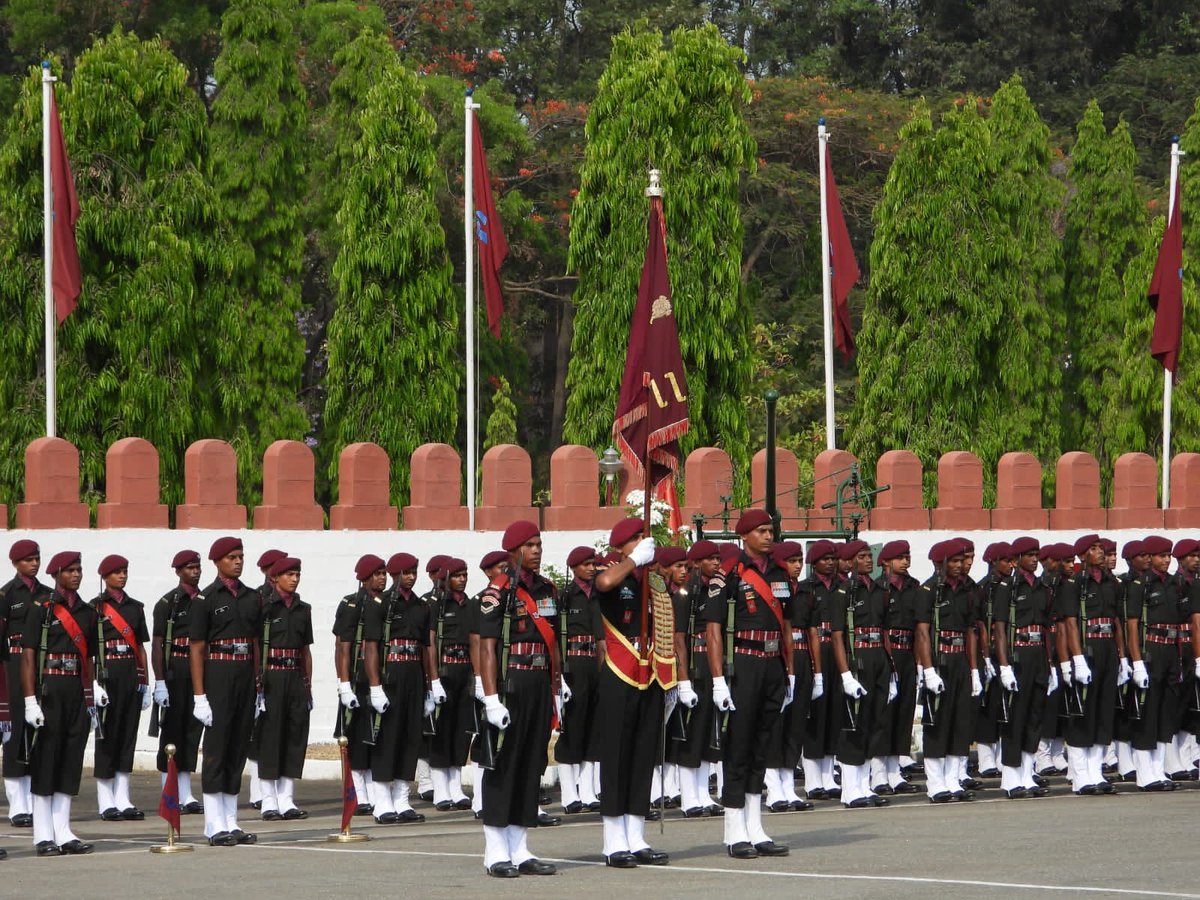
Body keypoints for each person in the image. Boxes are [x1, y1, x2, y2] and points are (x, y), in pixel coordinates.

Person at [706, 510, 794, 859]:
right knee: (738, 748)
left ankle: (755, 827)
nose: (769, 536)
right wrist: (717, 681)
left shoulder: (780, 573)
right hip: (742, 664)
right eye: (761, 531)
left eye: (771, 530)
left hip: (772, 664)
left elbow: (786, 624)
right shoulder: (726, 575)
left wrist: (790, 671)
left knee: (762, 748)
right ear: (745, 536)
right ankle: (733, 829)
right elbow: (713, 632)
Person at [474, 521, 558, 877]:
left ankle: (519, 846)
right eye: (529, 545)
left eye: (539, 544)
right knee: (503, 765)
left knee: (530, 762)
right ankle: (495, 850)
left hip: (539, 683)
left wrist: (558, 684)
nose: (536, 550)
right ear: (512, 550)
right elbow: (488, 648)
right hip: (511, 683)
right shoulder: (498, 591)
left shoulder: (547, 589)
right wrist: (491, 698)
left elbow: (554, 641)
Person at [21, 550, 99, 855]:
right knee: (46, 759)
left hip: (75, 690)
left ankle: (63, 830)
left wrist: (91, 694)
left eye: (79, 569)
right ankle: (43, 833)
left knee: (70, 758)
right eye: (70, 570)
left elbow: (88, 657)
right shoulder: (40, 608)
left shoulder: (87, 612)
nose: (77, 574)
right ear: (56, 574)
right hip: (48, 688)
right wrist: (30, 700)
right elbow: (28, 657)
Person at [190, 536, 261, 846]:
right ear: (216, 561)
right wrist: (199, 696)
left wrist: (259, 685)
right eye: (231, 556)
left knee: (237, 748)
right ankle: (213, 823)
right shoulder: (205, 600)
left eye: (241, 556)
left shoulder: (252, 597)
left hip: (245, 674)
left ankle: (231, 820)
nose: (238, 561)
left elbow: (257, 642)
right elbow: (197, 649)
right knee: (217, 749)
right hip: (218, 673)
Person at [1057, 534, 1126, 795]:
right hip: (1086, 649)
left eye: (1101, 548)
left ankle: (1096, 772)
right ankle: (1080, 774)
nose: (1100, 552)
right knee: (1082, 713)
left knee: (1103, 712)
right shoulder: (1074, 583)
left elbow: (1117, 621)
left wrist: (1122, 659)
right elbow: (1070, 624)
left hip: (1108, 647)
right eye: (1094, 549)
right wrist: (1076, 659)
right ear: (1082, 555)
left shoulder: (1111, 583)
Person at [368, 552, 432, 824]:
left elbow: (427, 647)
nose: (411, 576)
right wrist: (374, 686)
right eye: (406, 572)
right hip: (391, 672)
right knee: (388, 737)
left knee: (410, 736)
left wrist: (431, 684)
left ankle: (402, 799)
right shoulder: (380, 604)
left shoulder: (421, 606)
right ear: (394, 574)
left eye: (414, 571)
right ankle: (382, 802)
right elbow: (371, 647)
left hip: (414, 673)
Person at [915, 539, 978, 803]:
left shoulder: (966, 590)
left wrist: (974, 670)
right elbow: (922, 632)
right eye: (953, 561)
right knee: (937, 724)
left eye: (960, 560)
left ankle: (953, 780)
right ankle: (936, 782)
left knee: (960, 723)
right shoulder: (928, 590)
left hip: (960, 660)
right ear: (940, 563)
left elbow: (971, 631)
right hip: (939, 661)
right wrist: (928, 669)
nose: (959, 565)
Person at [91, 554, 151, 820]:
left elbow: (140, 647)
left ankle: (123, 797)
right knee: (106, 735)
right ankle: (105, 800)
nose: (122, 576)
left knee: (127, 734)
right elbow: (88, 651)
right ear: (105, 577)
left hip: (129, 672)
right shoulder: (94, 608)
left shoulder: (135, 608)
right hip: (106, 676)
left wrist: (145, 681)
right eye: (117, 572)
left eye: (125, 571)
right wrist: (92, 683)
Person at [833, 540, 892, 808]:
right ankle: (850, 788)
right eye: (862, 556)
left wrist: (891, 671)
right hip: (857, 657)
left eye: (870, 556)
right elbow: (837, 637)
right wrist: (845, 674)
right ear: (850, 561)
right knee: (853, 724)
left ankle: (864, 785)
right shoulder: (843, 591)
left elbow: (885, 630)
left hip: (878, 656)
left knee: (873, 721)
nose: (869, 560)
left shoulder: (880, 589)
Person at [992, 537, 1051, 799]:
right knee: (1015, 719)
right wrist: (1004, 665)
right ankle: (1010, 778)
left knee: (1034, 719)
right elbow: (1000, 629)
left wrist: (1052, 665)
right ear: (1016, 560)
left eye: (1036, 554)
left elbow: (1048, 628)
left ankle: (1027, 774)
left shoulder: (1042, 587)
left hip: (1038, 656)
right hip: (1018, 655)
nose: (1035, 559)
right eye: (1029, 555)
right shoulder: (1007, 587)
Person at [1125, 535, 1185, 791]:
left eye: (1168, 555)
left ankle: (1158, 769)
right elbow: (1132, 625)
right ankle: (1144, 772)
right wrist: (1137, 662)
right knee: (1147, 713)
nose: (1166, 560)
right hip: (1151, 649)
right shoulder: (1140, 584)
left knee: (1166, 713)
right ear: (1150, 557)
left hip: (1171, 650)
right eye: (1161, 555)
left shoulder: (1175, 584)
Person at [672, 540, 728, 816]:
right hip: (693, 665)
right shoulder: (686, 592)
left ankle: (703, 793)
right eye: (710, 559)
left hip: (711, 664)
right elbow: (678, 638)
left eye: (718, 558)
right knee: (691, 734)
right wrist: (683, 680)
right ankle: (688, 796)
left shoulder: (716, 589)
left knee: (709, 730)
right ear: (697, 563)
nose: (716, 563)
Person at [256, 557, 312, 821]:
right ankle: (268, 800)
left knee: (294, 736)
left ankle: (287, 798)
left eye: (297, 574)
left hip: (294, 676)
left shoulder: (303, 609)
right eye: (289, 574)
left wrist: (307, 685)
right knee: (270, 737)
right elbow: (257, 647)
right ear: (274, 578)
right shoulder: (264, 607)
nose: (294, 579)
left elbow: (305, 651)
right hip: (271, 677)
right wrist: (257, 685)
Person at [332, 555, 388, 818]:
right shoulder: (351, 604)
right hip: (357, 678)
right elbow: (342, 647)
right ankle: (359, 792)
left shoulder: (385, 604)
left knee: (375, 735)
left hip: (378, 679)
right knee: (355, 737)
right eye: (376, 574)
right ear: (364, 578)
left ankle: (375, 791)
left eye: (384, 573)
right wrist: (344, 684)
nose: (382, 578)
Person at [0, 539, 51, 830]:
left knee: (39, 730)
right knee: (16, 730)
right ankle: (17, 804)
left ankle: (35, 799)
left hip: (41, 664)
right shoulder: (7, 594)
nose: (34, 563)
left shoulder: (47, 594)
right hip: (14, 663)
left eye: (37, 558)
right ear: (16, 563)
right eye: (28, 559)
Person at [150, 550, 205, 815]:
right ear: (178, 571)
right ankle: (169, 790)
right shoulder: (167, 603)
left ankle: (186, 792)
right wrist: (159, 680)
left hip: (199, 671)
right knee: (172, 731)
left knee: (192, 732)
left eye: (198, 567)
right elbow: (158, 645)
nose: (195, 571)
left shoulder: (206, 600)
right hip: (175, 670)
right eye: (190, 568)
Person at [555, 546, 604, 815]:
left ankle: (587, 790)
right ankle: (568, 794)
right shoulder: (565, 597)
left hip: (596, 662)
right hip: (574, 665)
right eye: (585, 564)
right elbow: (556, 639)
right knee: (571, 728)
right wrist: (559, 675)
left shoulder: (600, 594)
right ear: (573, 568)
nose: (591, 568)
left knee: (594, 728)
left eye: (593, 564)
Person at [871, 540, 921, 795]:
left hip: (908, 653)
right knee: (883, 713)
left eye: (907, 556)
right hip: (885, 652)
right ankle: (878, 772)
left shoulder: (914, 587)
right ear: (886, 561)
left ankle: (894, 770)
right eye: (900, 557)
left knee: (904, 712)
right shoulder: (878, 588)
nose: (905, 561)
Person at [428, 558, 474, 811]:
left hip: (465, 670)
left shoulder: (470, 604)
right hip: (444, 670)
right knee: (441, 730)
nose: (462, 579)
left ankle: (455, 787)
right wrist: (433, 679)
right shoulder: (435, 604)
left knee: (461, 730)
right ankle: (440, 789)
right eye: (457, 575)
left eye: (465, 574)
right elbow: (431, 643)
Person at [246, 548, 286, 811]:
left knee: (275, 732)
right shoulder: (258, 599)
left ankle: (275, 791)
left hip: (281, 671)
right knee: (258, 734)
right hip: (262, 670)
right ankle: (257, 791)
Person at [801, 540, 838, 800]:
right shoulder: (806, 589)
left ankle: (829, 776)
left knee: (833, 713)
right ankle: (813, 779)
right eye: (824, 558)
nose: (830, 562)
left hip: (835, 650)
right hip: (816, 649)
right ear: (813, 563)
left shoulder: (842, 587)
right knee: (815, 716)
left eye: (832, 558)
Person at [973, 543, 1012, 780]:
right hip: (989, 653)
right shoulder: (982, 589)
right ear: (993, 562)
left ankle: (1002, 755)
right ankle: (986, 757)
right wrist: (986, 656)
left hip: (1009, 651)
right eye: (1005, 561)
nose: (1010, 565)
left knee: (1006, 705)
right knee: (988, 704)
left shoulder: (1013, 587)